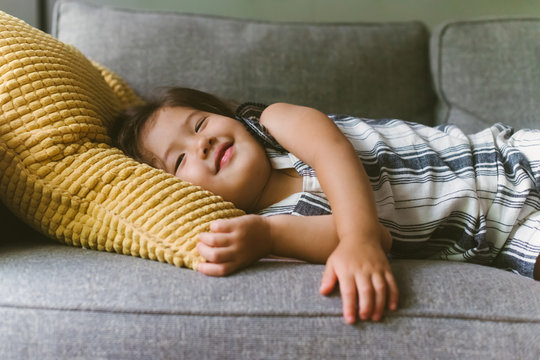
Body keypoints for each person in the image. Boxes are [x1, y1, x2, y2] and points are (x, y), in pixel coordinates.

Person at [111, 87, 540, 324]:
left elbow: (331, 149)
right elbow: (382, 237)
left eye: (200, 123)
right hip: (501, 238)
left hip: (505, 159)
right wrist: (268, 236)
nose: (200, 143)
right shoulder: (274, 220)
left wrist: (358, 239)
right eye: (180, 160)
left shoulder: (274, 125)